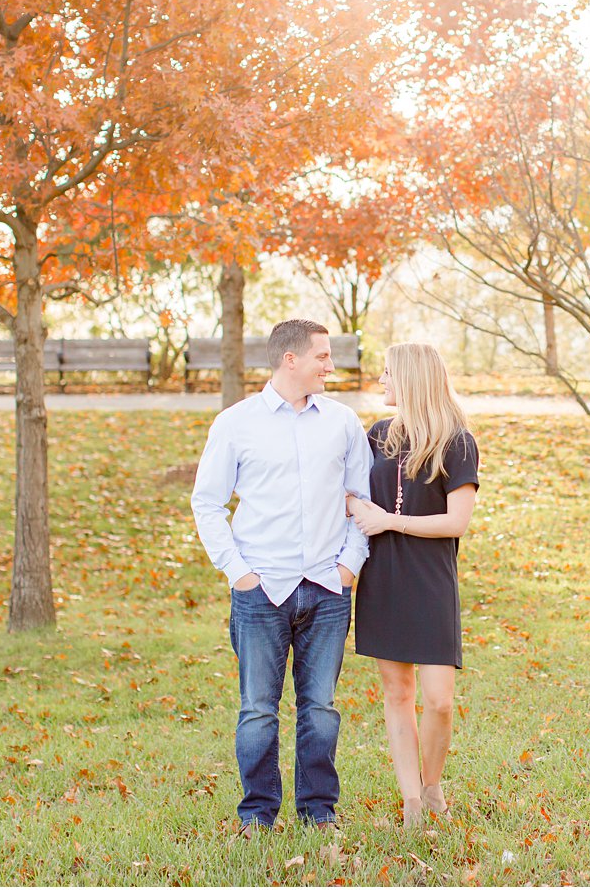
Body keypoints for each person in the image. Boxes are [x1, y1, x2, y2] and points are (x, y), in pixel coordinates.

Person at [191, 318, 371, 832]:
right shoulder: (236, 423)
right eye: (322, 356)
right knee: (257, 711)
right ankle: (257, 814)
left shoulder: (342, 422)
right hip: (259, 590)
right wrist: (238, 571)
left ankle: (318, 810)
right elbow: (207, 503)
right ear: (290, 359)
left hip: (326, 587)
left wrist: (347, 568)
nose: (330, 365)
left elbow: (362, 500)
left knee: (320, 709)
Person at [347, 342, 479, 830]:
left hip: (430, 581)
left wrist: (390, 521)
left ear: (411, 378)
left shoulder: (457, 442)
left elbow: (456, 522)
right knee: (397, 693)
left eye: (387, 373)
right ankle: (412, 805)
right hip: (383, 578)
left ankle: (431, 783)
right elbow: (346, 492)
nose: (381, 381)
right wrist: (360, 511)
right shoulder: (377, 435)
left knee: (440, 699)